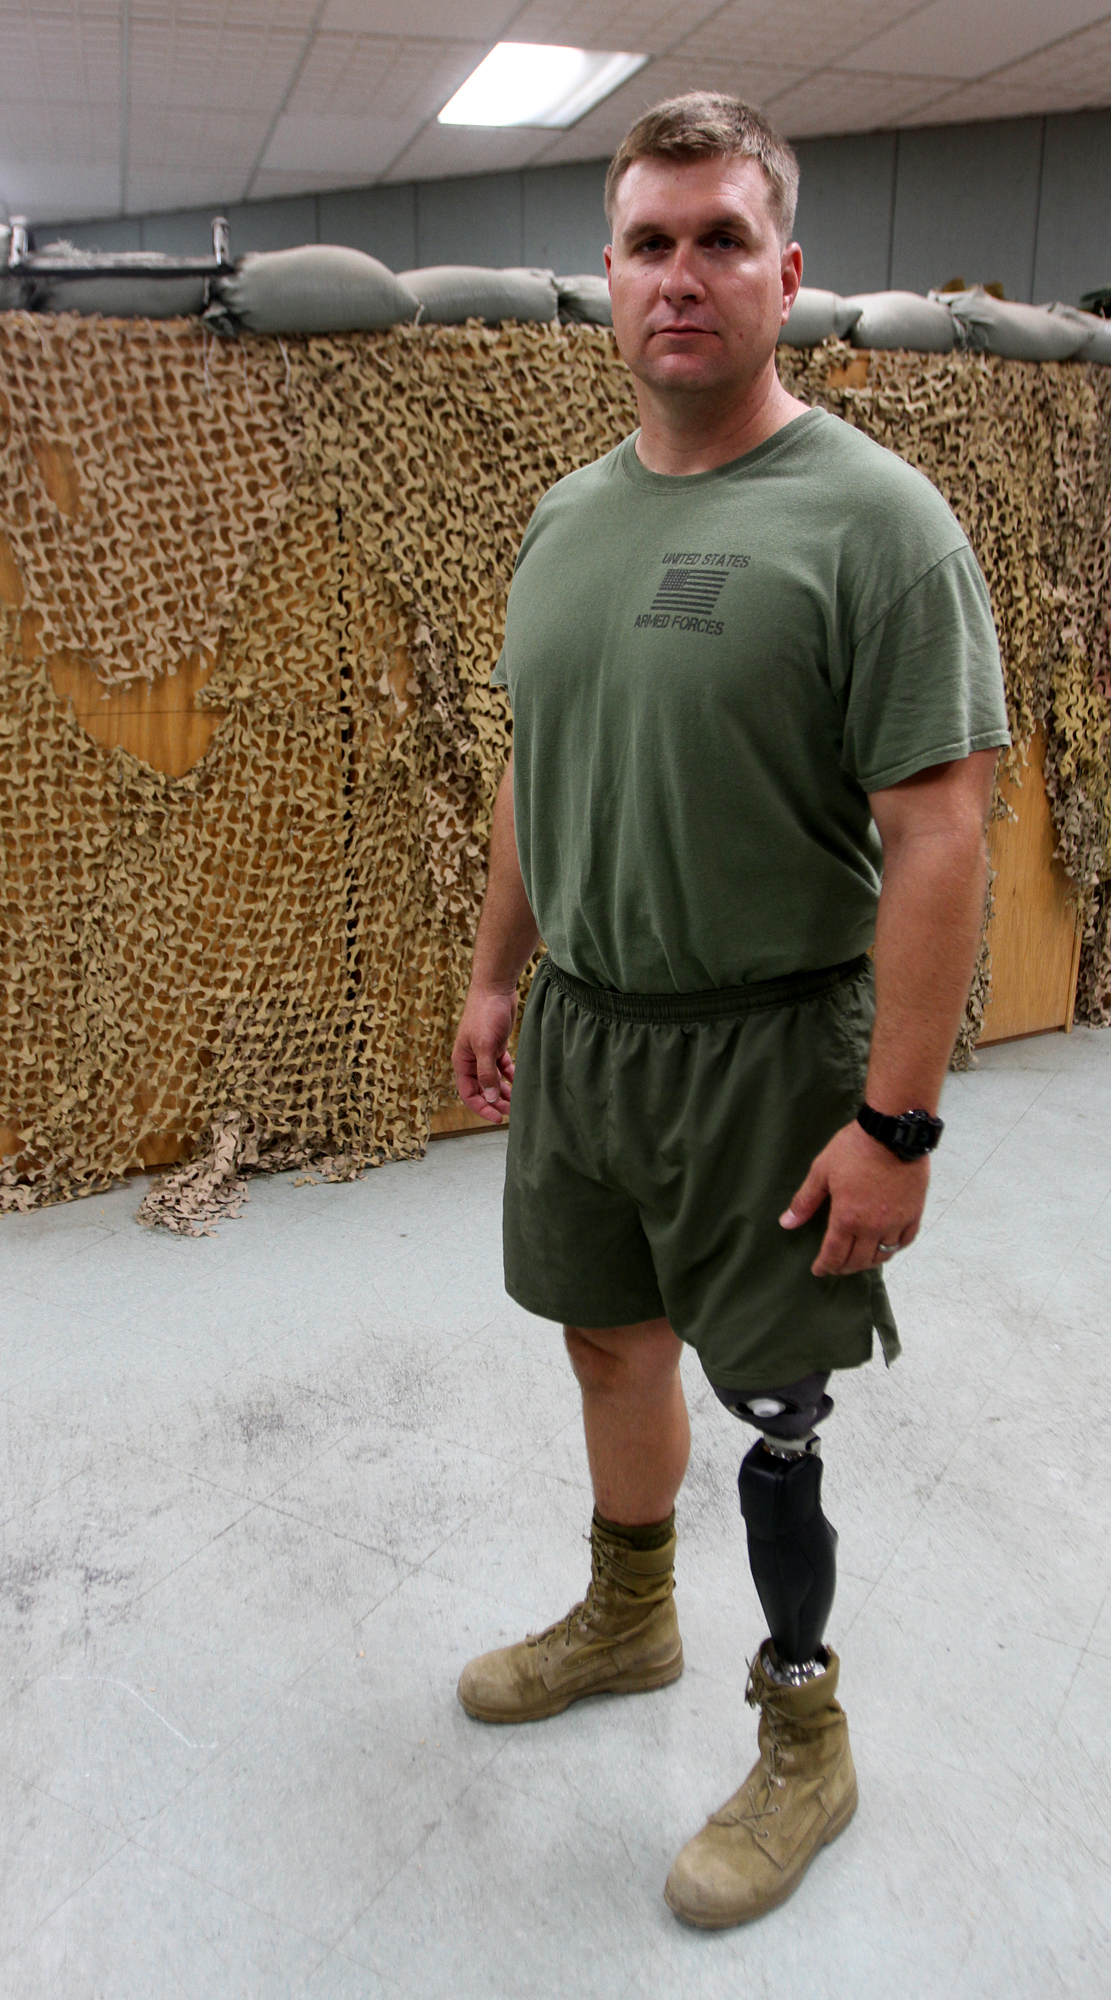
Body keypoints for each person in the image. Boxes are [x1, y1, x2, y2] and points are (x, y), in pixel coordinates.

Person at [450, 92, 1010, 1930]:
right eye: (645, 241)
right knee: (606, 1341)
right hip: (593, 1036)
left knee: (774, 1404)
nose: (678, 276)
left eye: (716, 240)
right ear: (605, 277)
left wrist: (899, 1121)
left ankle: (803, 1734)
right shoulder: (562, 521)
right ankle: (631, 1615)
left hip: (776, 1046)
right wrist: (492, 971)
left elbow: (940, 836)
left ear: (789, 272)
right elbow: (539, 769)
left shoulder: (878, 523)